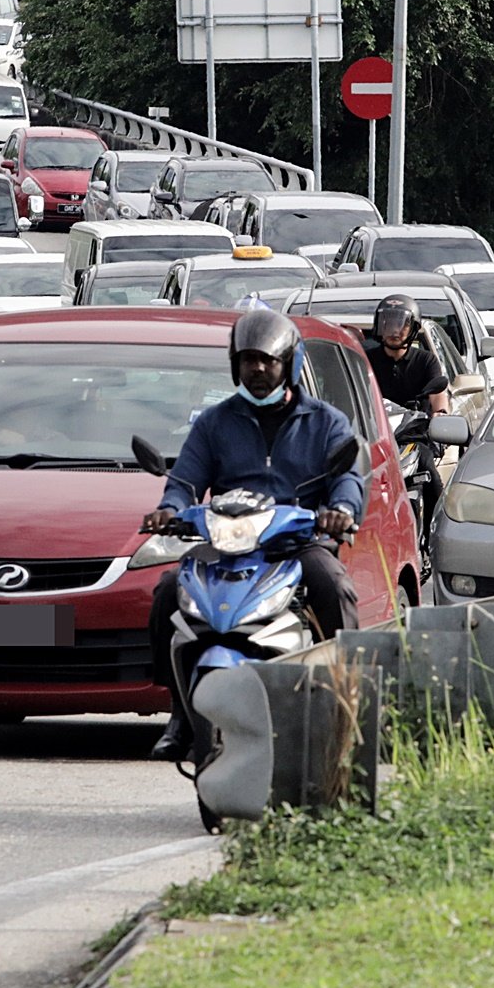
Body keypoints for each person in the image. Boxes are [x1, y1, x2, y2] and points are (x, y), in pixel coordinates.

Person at [140, 309, 365, 761]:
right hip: (226, 547)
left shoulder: (327, 423)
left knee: (333, 584)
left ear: (290, 364)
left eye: (268, 360)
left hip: (296, 546)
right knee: (168, 589)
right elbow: (185, 481)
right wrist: (170, 509)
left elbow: (349, 479)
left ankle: (347, 703)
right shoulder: (214, 423)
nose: (258, 369)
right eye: (248, 360)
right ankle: (180, 712)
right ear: (234, 365)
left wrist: (340, 510)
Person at [364, 294, 451, 414]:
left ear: (413, 328)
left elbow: (437, 395)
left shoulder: (426, 360)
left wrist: (441, 413)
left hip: (417, 429)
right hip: (375, 428)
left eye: (403, 324)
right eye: (388, 324)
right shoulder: (365, 360)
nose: (394, 330)